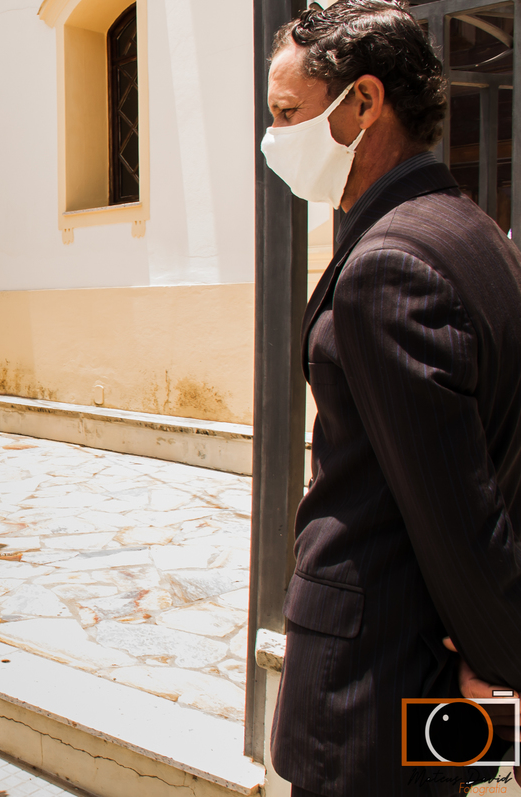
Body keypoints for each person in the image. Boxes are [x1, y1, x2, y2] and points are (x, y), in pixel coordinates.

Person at [260, 2, 521, 795]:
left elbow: (455, 505)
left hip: (377, 680)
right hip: (431, 671)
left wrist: (500, 663)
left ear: (364, 103)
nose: (275, 139)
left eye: (287, 114)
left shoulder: (390, 263)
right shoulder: (477, 233)